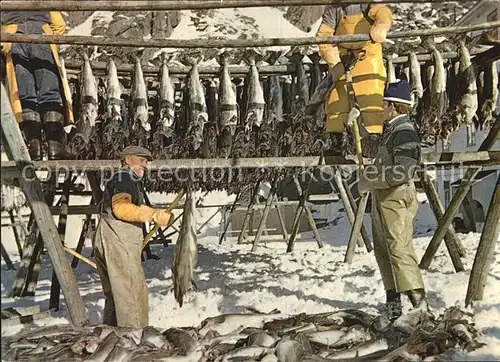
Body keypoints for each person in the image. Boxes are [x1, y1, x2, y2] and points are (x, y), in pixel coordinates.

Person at [358, 80, 427, 322]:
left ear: (394, 106)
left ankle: (420, 304)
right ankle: (393, 303)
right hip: (384, 199)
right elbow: (375, 150)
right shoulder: (392, 131)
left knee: (399, 249)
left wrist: (373, 181)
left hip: (396, 198)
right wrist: (356, 126)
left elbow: (404, 171)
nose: (381, 108)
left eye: (384, 104)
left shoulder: (405, 132)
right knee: (384, 251)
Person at [93, 146, 173, 328]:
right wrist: (153, 215)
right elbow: (121, 208)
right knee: (131, 293)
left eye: (147, 161)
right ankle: (134, 342)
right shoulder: (125, 178)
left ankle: (112, 336)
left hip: (109, 235)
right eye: (142, 160)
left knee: (116, 293)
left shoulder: (124, 179)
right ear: (128, 160)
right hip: (117, 237)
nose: (145, 165)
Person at [316, 3, 392, 155]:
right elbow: (324, 35)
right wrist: (333, 58)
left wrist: (382, 25)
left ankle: (372, 144)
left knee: (370, 100)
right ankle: (337, 145)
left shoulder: (368, 3)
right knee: (336, 101)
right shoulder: (334, 9)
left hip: (368, 57)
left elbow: (382, 12)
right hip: (343, 58)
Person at [1, 10, 74, 160]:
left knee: (26, 95)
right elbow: (59, 24)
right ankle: (54, 146)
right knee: (49, 92)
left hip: (13, 37)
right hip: (41, 34)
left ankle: (34, 148)